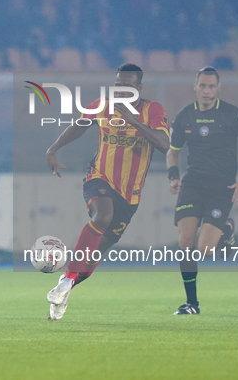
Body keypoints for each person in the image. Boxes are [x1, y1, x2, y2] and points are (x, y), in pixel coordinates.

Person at [45, 63, 169, 321]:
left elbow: (164, 145)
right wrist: (53, 150)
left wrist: (133, 120)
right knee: (102, 215)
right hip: (99, 178)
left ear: (139, 88)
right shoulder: (102, 104)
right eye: (117, 85)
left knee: (92, 257)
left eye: (127, 86)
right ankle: (67, 278)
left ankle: (64, 289)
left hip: (130, 194)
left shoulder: (152, 110)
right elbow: (79, 125)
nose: (120, 90)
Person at [167, 66, 238, 315]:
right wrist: (173, 176)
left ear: (218, 89)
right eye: (203, 85)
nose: (207, 91)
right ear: (195, 86)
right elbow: (173, 150)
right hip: (192, 185)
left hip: (221, 188)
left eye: (212, 86)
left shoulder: (234, 115)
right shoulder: (184, 116)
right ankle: (192, 304)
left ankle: (226, 228)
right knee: (185, 240)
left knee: (206, 250)